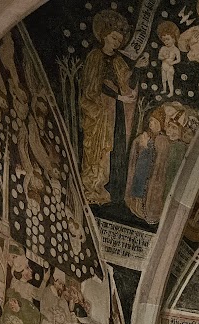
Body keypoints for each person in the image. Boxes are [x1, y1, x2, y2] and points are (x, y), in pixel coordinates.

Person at [78, 10, 136, 205]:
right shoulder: (95, 57)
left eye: (119, 40)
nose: (116, 43)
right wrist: (118, 96)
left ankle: (110, 188)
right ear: (104, 36)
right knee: (97, 147)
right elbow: (93, 85)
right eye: (113, 38)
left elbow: (126, 79)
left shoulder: (118, 60)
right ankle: (93, 187)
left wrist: (138, 68)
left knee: (114, 146)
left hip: (115, 110)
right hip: (100, 110)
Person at [156, 21, 181, 95]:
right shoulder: (163, 48)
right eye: (164, 40)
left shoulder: (176, 49)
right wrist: (164, 57)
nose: (166, 42)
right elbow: (159, 57)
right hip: (163, 66)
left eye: (168, 39)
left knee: (170, 81)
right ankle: (164, 90)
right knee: (163, 80)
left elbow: (178, 59)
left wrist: (172, 62)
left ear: (173, 39)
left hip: (170, 67)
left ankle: (171, 92)